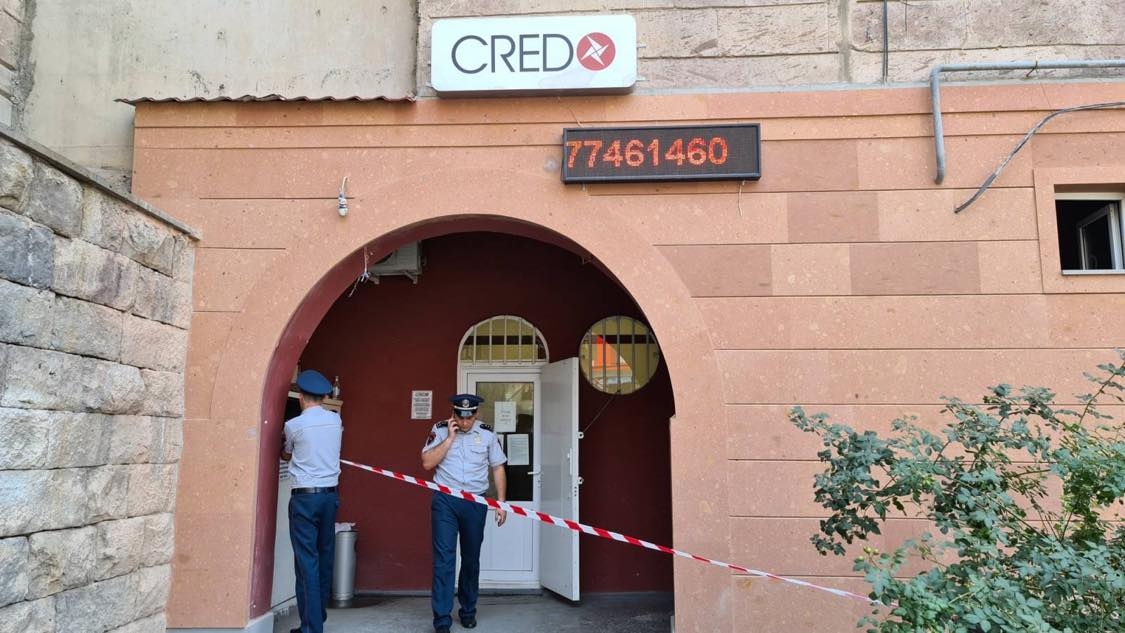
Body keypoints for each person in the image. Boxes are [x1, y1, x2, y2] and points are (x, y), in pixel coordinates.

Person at [422, 393, 508, 633]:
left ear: (476, 414)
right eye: (460, 417)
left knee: (471, 559)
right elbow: (427, 463)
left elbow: (498, 467)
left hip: (475, 501)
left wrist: (501, 502)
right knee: (444, 560)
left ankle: (468, 610)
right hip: (445, 501)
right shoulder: (440, 430)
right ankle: (441, 619)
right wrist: (449, 439)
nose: (465, 422)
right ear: (453, 413)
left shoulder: (487, 433)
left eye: (469, 417)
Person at [282, 369, 343, 633]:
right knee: (325, 556)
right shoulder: (336, 421)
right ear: (324, 397)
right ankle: (317, 616)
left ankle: (311, 627)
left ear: (300, 397)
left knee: (306, 562)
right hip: (329, 496)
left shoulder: (293, 425)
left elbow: (287, 454)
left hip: (305, 499)